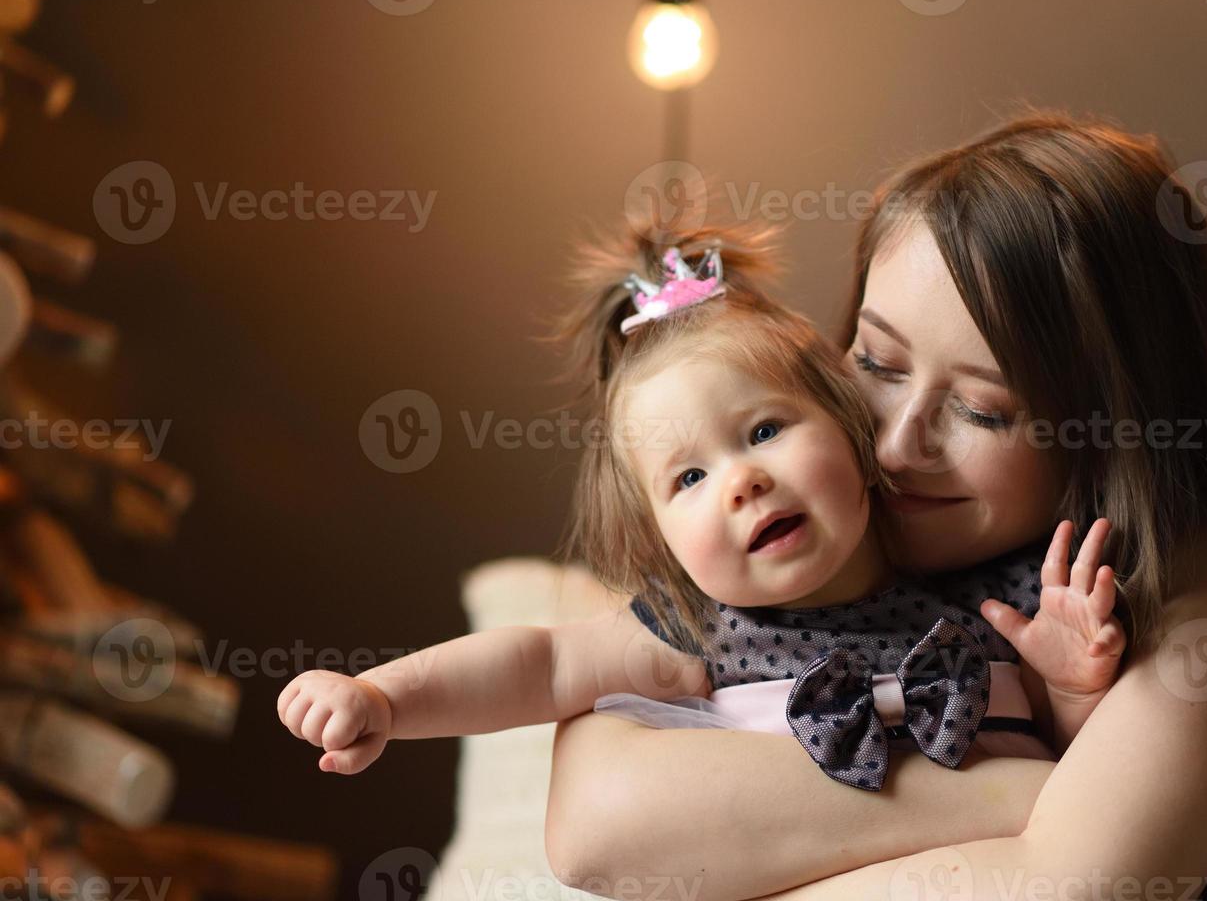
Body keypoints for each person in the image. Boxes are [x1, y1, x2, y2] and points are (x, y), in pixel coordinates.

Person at [544, 114, 1207, 901]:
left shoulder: (1182, 580)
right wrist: (1025, 798)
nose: (894, 442)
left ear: (1114, 434)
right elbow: (593, 828)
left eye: (982, 410)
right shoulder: (783, 529)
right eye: (876, 362)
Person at [274, 220, 1126, 796]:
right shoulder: (702, 631)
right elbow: (534, 665)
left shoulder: (989, 593)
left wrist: (1073, 686)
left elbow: (1088, 786)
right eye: (688, 479)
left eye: (763, 429)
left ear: (854, 427)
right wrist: (382, 698)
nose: (739, 482)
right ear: (659, 542)